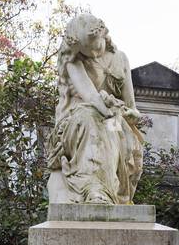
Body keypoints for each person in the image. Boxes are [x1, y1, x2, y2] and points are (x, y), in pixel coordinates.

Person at [48, 12, 145, 205]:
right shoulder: (73, 62)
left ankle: (106, 191)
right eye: (86, 52)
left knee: (114, 131)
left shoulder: (121, 59)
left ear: (104, 34)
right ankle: (93, 190)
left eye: (96, 48)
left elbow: (134, 111)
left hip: (113, 118)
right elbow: (91, 96)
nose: (92, 55)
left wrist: (126, 113)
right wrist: (109, 109)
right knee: (91, 118)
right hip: (76, 120)